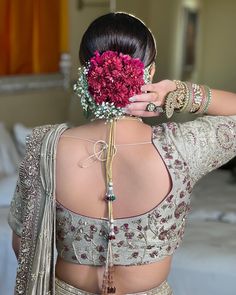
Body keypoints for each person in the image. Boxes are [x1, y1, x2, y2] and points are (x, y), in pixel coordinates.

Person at [8, 12, 236, 295]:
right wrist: (181, 94)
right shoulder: (182, 146)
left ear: (86, 73)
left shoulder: (46, 146)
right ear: (150, 73)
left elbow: (22, 242)